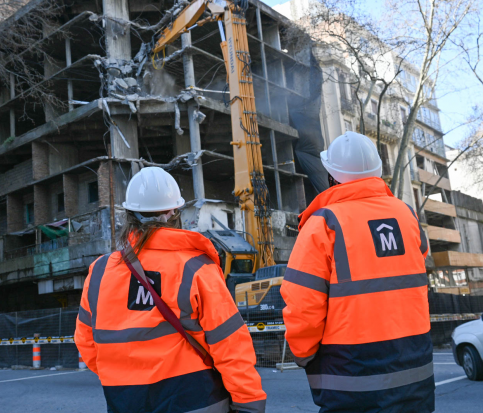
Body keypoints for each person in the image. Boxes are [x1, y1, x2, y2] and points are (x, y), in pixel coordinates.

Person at [75, 166, 266, 413]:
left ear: (129, 213)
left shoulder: (100, 272)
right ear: (173, 212)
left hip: (124, 399)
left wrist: (123, 377)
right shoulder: (196, 267)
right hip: (195, 398)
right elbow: (230, 345)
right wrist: (249, 403)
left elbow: (87, 343)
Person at [281, 132, 434, 413]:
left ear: (331, 177)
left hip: (352, 378)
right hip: (416, 370)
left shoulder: (323, 224)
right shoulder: (407, 215)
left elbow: (303, 305)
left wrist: (304, 354)